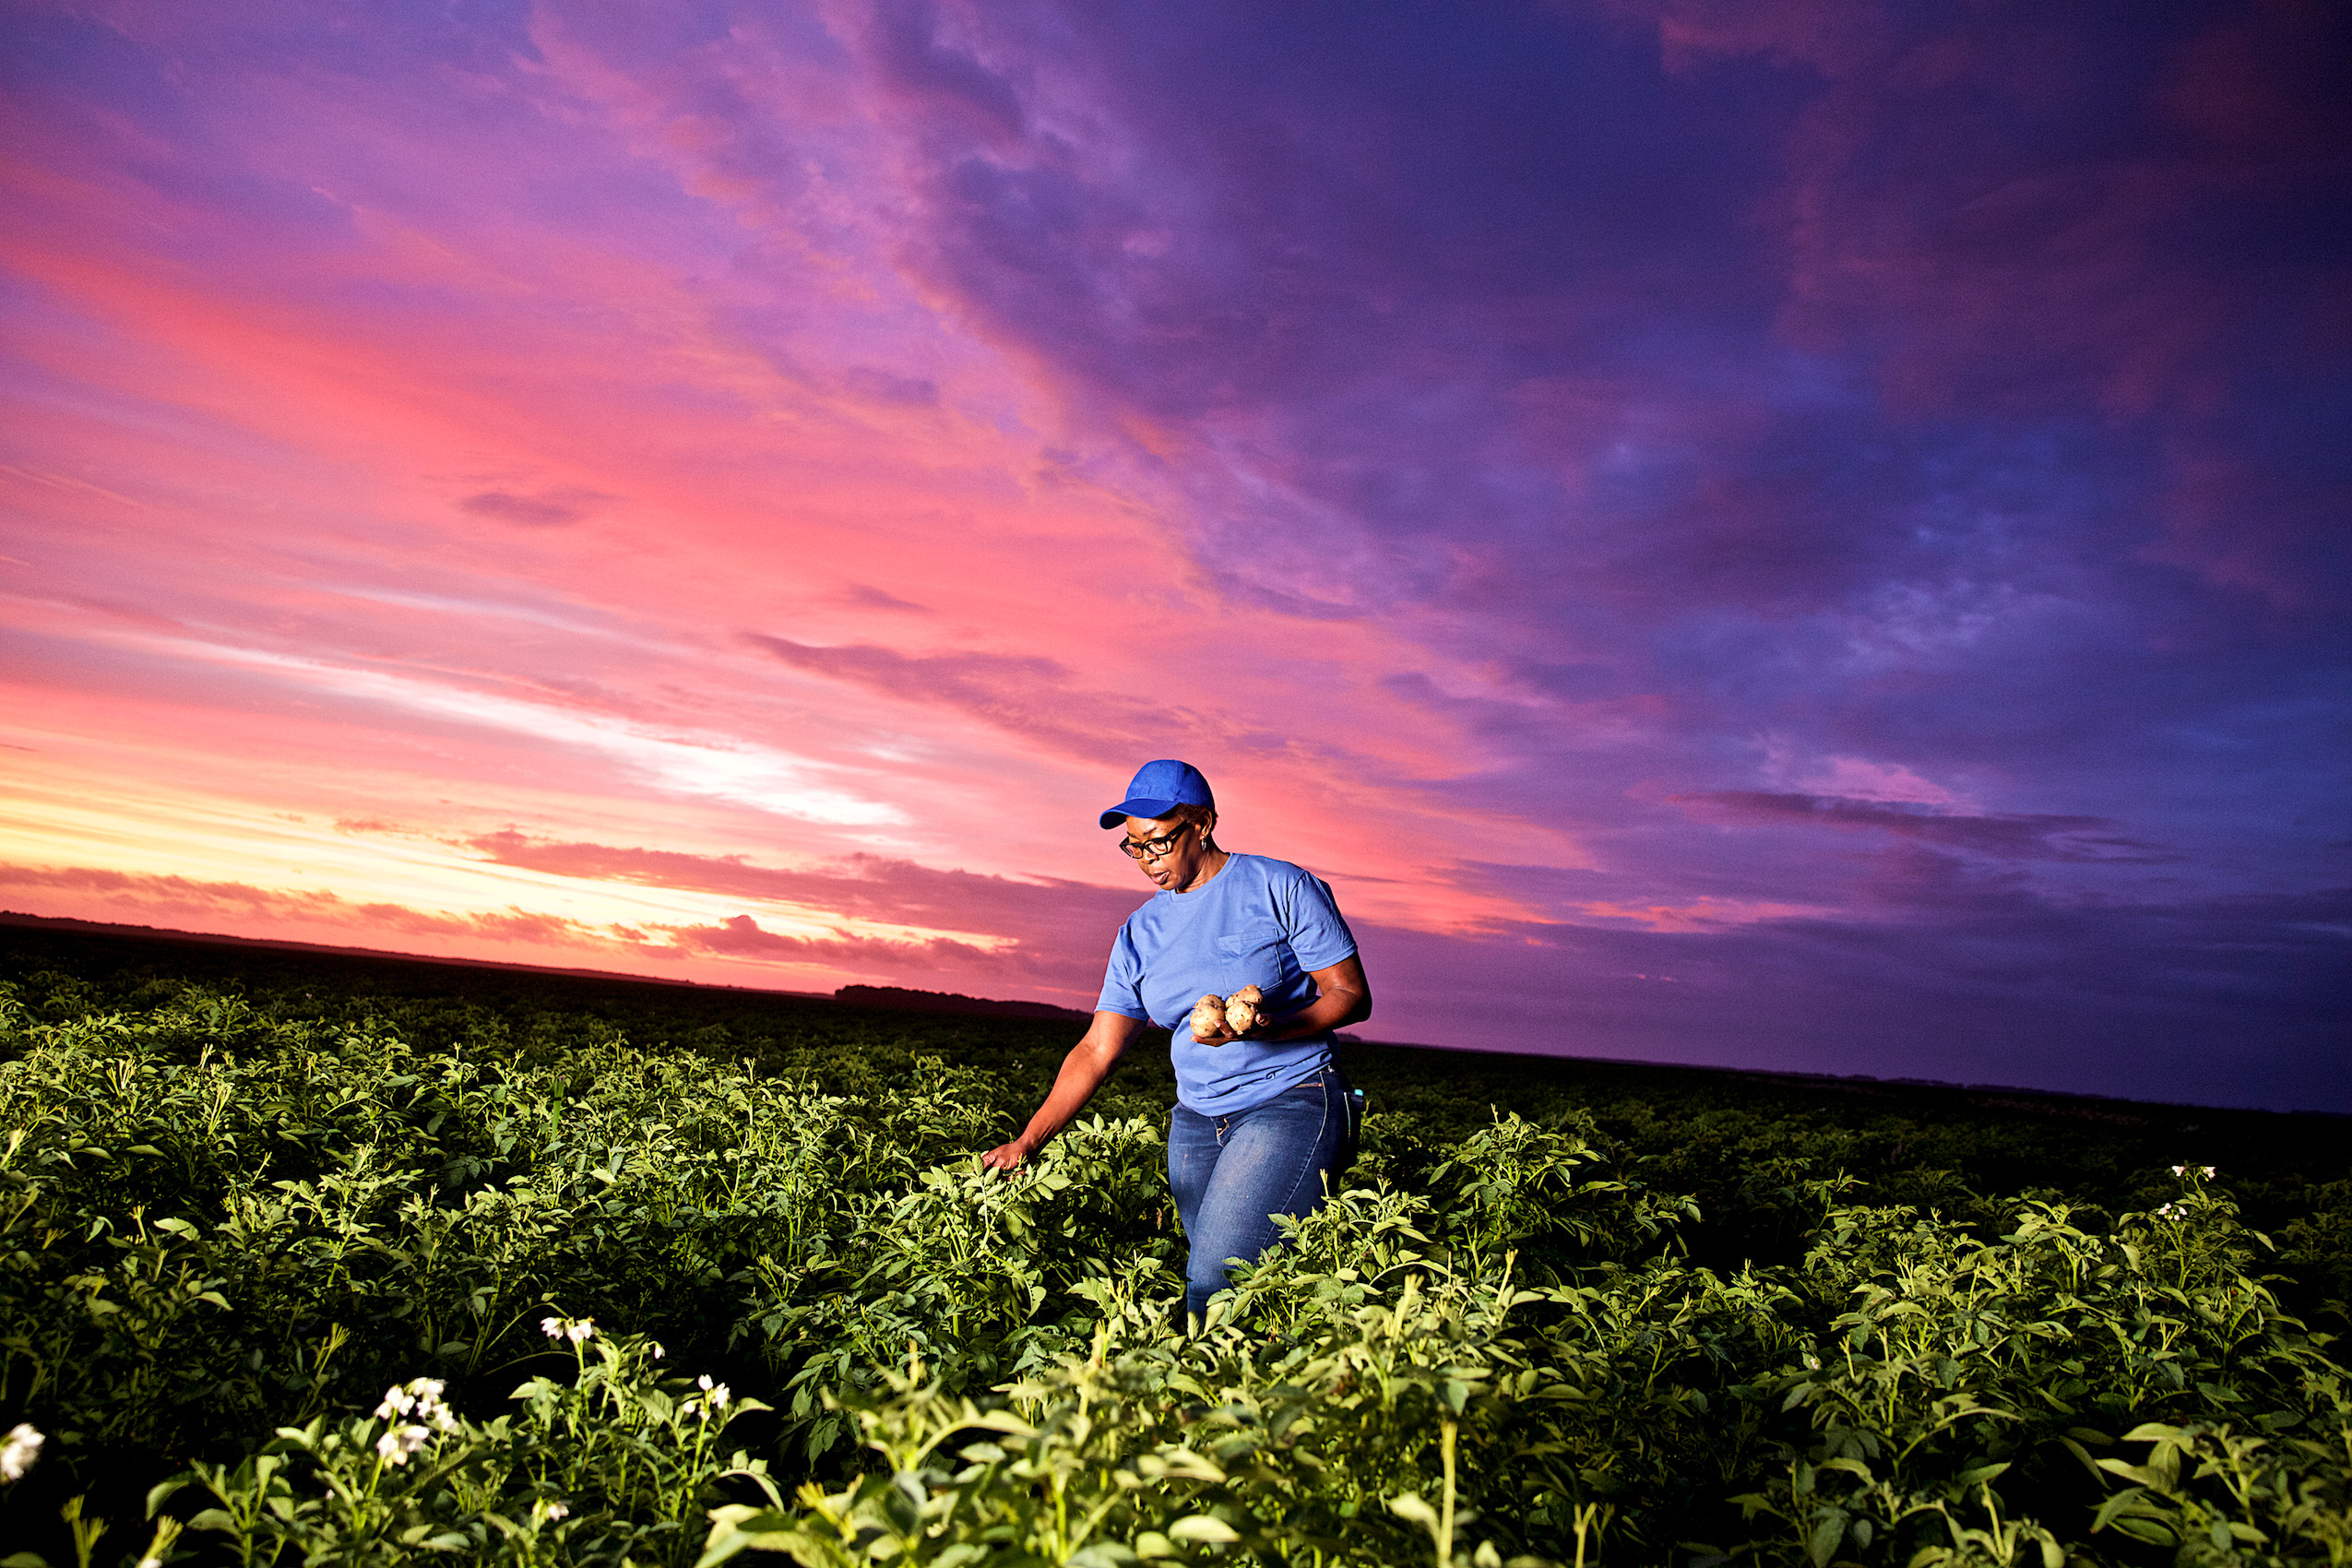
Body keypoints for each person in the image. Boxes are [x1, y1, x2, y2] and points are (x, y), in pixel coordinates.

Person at [980, 759, 1372, 1324]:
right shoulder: (1139, 933)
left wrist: (1272, 1028)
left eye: (1158, 843)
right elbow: (1096, 1050)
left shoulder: (1278, 884)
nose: (1146, 861)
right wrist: (1029, 1140)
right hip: (1196, 1122)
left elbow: (1349, 994)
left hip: (1291, 1099)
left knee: (1217, 1285)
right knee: (1245, 1287)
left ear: (1203, 824)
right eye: (1133, 847)